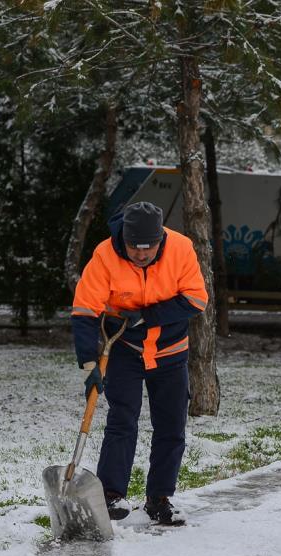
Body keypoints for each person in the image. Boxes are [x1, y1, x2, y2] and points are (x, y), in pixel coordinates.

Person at [71, 201, 208, 525]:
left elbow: (196, 299)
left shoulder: (181, 248)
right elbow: (85, 310)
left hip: (170, 350)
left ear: (161, 238)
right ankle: (112, 495)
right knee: (122, 420)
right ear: (125, 239)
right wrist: (89, 365)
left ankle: (159, 499)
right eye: (135, 248)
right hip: (124, 349)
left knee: (171, 426)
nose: (142, 255)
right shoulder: (105, 255)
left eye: (149, 248)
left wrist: (146, 316)